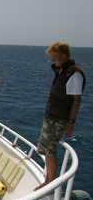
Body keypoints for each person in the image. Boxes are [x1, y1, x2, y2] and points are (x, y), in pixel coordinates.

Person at [34, 42, 86, 191]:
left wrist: (71, 122)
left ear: (64, 56)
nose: (52, 61)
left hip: (60, 118)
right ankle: (48, 180)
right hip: (51, 115)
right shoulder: (63, 70)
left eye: (55, 57)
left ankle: (50, 182)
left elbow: (76, 100)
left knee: (50, 150)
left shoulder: (74, 73)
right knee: (44, 149)